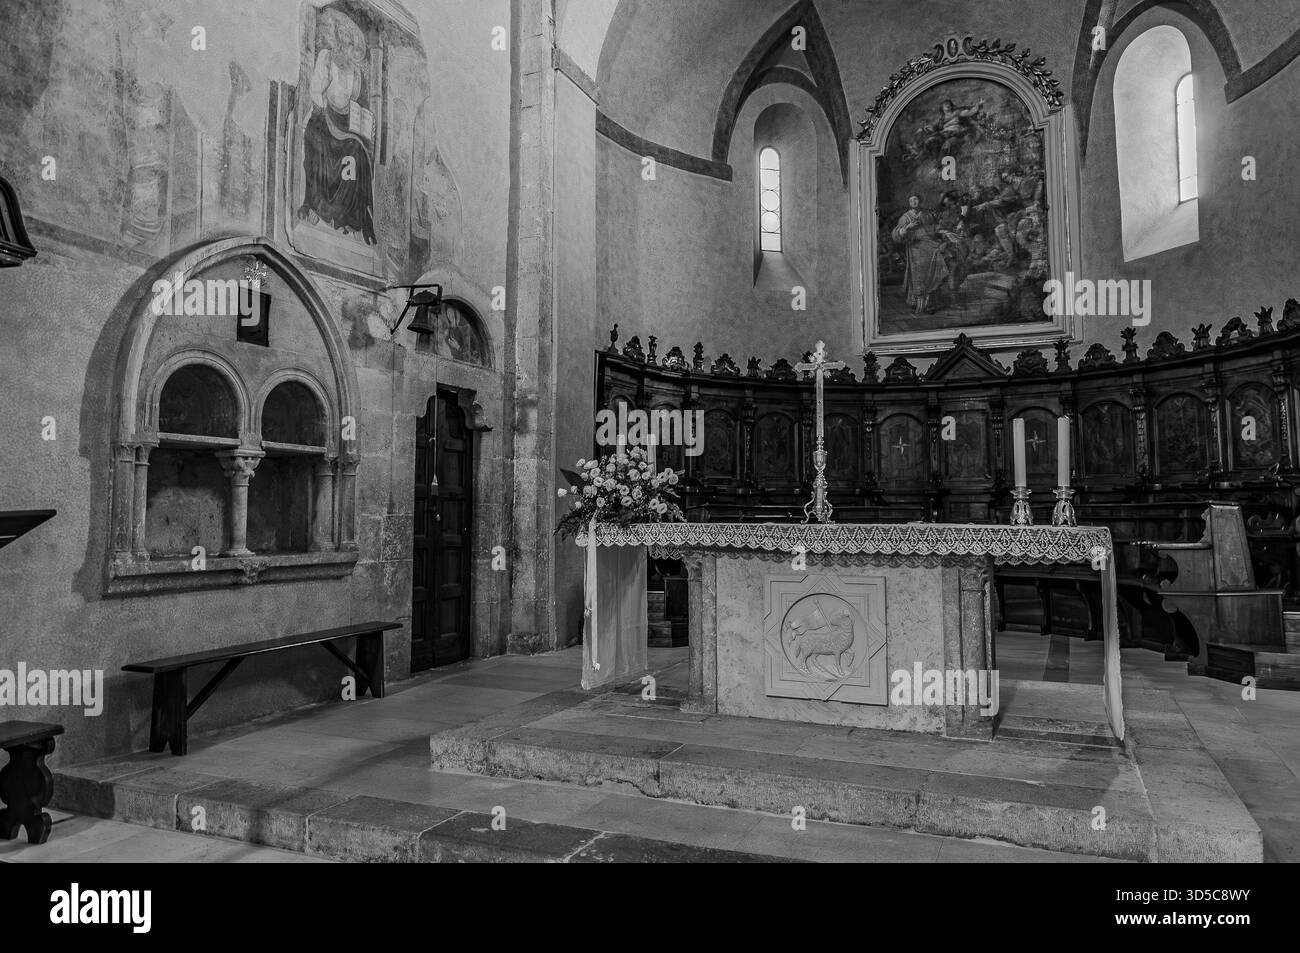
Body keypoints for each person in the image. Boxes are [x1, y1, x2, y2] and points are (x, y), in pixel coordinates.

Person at [298, 11, 377, 245]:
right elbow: (315, 91)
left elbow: (354, 103)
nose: (346, 47)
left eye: (350, 43)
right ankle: (317, 205)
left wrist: (366, 120)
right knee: (318, 142)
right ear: (337, 41)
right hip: (323, 117)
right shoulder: (325, 58)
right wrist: (323, 110)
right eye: (342, 41)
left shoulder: (356, 72)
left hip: (345, 124)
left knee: (359, 152)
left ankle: (352, 217)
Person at [891, 194, 949, 313]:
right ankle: (919, 304)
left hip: (929, 246)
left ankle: (929, 303)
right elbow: (896, 234)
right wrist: (907, 228)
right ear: (908, 202)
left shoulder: (927, 214)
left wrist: (942, 232)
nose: (914, 202)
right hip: (915, 248)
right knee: (918, 275)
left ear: (920, 200)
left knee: (931, 273)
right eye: (911, 200)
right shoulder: (905, 217)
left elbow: (934, 227)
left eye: (916, 199)